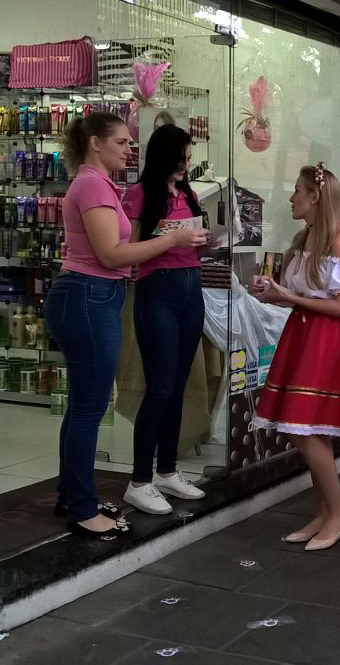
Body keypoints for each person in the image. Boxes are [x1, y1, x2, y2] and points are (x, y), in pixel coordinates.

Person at [45, 112, 206, 538]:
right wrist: (170, 239)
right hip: (88, 296)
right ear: (95, 143)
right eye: (120, 142)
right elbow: (112, 255)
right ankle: (82, 507)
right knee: (89, 408)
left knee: (83, 405)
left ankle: (72, 493)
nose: (128, 149)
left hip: (95, 295)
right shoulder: (93, 185)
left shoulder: (99, 185)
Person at [249, 163, 340, 550]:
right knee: (311, 428)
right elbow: (300, 295)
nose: (291, 197)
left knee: (302, 427)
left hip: (326, 340)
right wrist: (271, 292)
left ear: (316, 197)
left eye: (298, 191)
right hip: (303, 335)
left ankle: (338, 513)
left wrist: (287, 297)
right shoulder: (305, 238)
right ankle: (324, 512)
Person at [122, 125, 209, 514]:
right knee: (159, 386)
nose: (185, 166)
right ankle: (139, 479)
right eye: (181, 159)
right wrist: (171, 239)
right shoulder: (140, 194)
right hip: (157, 290)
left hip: (192, 287)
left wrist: (207, 239)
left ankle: (167, 470)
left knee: (177, 384)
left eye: (189, 159)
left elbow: (190, 238)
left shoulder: (187, 193)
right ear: (163, 157)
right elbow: (128, 249)